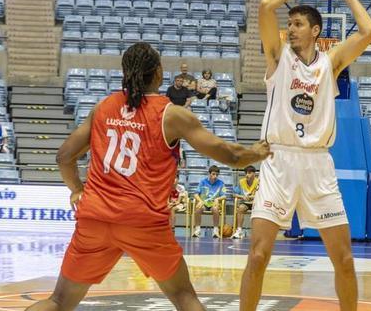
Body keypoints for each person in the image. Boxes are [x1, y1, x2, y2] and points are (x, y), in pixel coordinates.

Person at [24, 42, 270, 311]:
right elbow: (230, 155)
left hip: (94, 217)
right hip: (142, 220)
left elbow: (64, 157)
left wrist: (76, 189)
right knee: (183, 296)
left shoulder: (103, 107)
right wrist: (256, 153)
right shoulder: (171, 114)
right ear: (158, 73)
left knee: (59, 301)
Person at [240, 0, 371, 311]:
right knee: (258, 255)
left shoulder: (330, 64)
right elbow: (265, 7)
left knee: (344, 259)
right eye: (290, 25)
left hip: (317, 165)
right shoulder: (277, 57)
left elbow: (368, 30)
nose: (291, 30)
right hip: (279, 162)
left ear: (316, 31)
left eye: (299, 25)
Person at [191, 165, 226, 238]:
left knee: (215, 209)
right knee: (198, 209)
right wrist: (200, 201)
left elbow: (224, 196)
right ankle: (197, 230)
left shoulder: (221, 183)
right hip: (204, 203)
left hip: (214, 204)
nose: (215, 176)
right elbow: (196, 194)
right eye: (213, 174)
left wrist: (217, 199)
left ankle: (216, 230)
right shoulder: (202, 182)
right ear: (209, 173)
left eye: (217, 174)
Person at [233, 165, 259, 239]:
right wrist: (242, 197)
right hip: (245, 203)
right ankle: (239, 231)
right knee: (240, 208)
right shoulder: (241, 182)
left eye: (249, 173)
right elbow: (234, 194)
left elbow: (263, 194)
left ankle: (257, 233)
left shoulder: (258, 182)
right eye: (246, 173)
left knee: (261, 211)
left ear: (254, 174)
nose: (247, 175)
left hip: (256, 203)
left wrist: (253, 197)